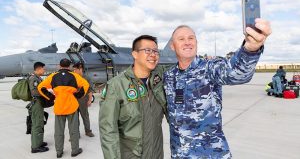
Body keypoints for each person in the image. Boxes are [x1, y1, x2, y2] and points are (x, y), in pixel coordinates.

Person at [164, 19, 272, 158]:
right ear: (173, 46)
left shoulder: (209, 68)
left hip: (211, 154)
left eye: (191, 38)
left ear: (196, 42)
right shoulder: (168, 76)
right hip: (180, 154)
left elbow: (235, 73)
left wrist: (251, 49)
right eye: (181, 39)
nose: (187, 42)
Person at [99, 35, 168, 159]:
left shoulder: (159, 80)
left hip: (156, 153)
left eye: (156, 51)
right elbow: (108, 130)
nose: (153, 55)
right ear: (135, 54)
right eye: (147, 50)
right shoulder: (116, 85)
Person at [38, 58, 89, 158]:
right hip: (71, 106)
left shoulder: (53, 76)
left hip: (59, 106)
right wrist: (77, 96)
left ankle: (59, 152)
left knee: (58, 131)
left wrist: (51, 97)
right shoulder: (74, 76)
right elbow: (85, 85)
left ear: (59, 66)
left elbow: (41, 87)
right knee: (73, 130)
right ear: (69, 66)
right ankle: (75, 150)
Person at [28, 62, 49, 153]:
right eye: (43, 69)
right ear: (39, 69)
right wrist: (46, 92)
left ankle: (39, 141)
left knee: (40, 122)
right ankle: (35, 147)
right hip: (36, 103)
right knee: (37, 124)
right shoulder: (33, 78)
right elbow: (34, 92)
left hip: (39, 103)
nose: (44, 70)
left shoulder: (38, 78)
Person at [73, 62, 95, 137]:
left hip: (83, 100)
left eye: (75, 69)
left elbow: (90, 90)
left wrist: (89, 100)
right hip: (74, 100)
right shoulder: (73, 78)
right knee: (74, 118)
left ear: (80, 69)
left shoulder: (87, 78)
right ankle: (76, 134)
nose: (74, 71)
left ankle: (88, 131)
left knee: (85, 116)